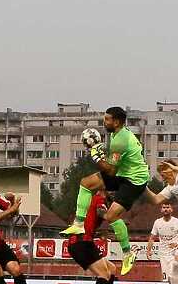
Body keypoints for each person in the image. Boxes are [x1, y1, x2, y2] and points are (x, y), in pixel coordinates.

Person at [61, 107, 150, 275]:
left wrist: (95, 154)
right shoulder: (118, 135)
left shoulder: (120, 140)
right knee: (86, 183)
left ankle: (127, 254)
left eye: (107, 119)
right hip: (126, 174)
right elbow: (114, 164)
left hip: (132, 181)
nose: (105, 122)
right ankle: (78, 225)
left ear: (116, 121)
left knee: (111, 216)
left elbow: (110, 171)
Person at [67, 191, 127, 284]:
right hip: (80, 242)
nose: (114, 192)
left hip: (85, 241)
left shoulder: (97, 199)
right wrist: (112, 218)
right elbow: (101, 212)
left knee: (111, 269)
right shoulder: (99, 198)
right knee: (103, 274)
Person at [146, 203, 178, 284]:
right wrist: (148, 251)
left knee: (172, 276)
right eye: (164, 207)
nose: (166, 209)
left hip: (175, 254)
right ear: (161, 210)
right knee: (165, 278)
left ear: (172, 209)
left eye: (168, 207)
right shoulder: (157, 222)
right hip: (163, 254)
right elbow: (152, 238)